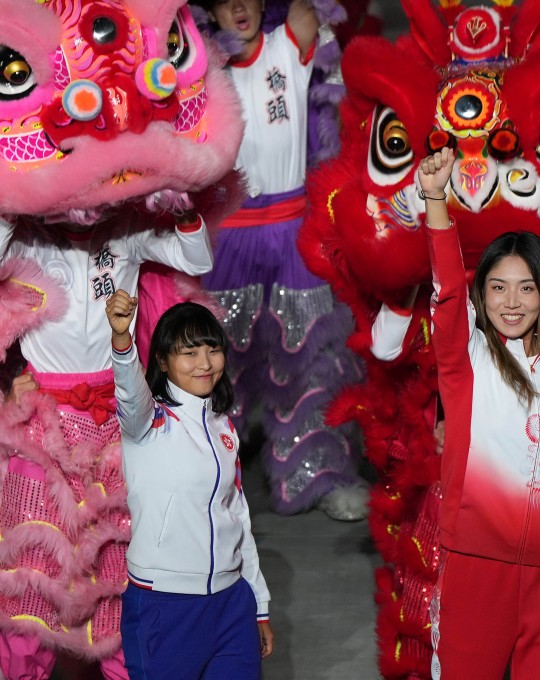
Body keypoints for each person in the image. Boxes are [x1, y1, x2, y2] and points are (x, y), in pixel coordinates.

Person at [0, 208, 214, 680]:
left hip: (116, 423)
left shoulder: (126, 231)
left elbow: (195, 259)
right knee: (30, 582)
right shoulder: (26, 235)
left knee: (119, 576)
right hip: (43, 428)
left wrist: (185, 210)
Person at [418, 147, 540, 680]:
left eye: (527, 288)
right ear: (483, 296)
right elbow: (447, 293)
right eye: (498, 288)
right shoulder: (467, 362)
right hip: (476, 568)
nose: (513, 302)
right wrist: (436, 200)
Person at [201, 0, 367, 520]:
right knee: (214, 362)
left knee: (307, 361)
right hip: (226, 239)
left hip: (293, 233)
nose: (237, 8)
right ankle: (207, 479)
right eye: (223, 1)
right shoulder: (200, 65)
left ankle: (316, 473)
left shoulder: (287, 43)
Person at [107, 290, 273, 680]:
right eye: (189, 353)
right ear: (163, 361)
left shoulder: (224, 427)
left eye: (212, 350)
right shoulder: (147, 424)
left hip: (232, 604)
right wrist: (121, 340)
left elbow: (238, 518)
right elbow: (130, 393)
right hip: (165, 606)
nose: (204, 363)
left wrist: (259, 604)